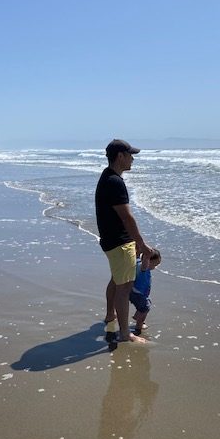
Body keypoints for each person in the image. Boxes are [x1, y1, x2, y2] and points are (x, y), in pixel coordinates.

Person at [95, 139, 153, 343]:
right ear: (120, 156)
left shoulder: (107, 176)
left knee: (116, 279)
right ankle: (125, 333)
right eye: (130, 155)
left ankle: (111, 314)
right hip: (120, 243)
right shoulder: (115, 182)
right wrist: (142, 243)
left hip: (111, 241)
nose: (133, 159)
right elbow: (127, 217)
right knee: (124, 287)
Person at [130, 248, 161, 335]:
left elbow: (137, 256)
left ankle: (137, 316)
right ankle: (138, 327)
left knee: (143, 306)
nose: (155, 267)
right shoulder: (143, 267)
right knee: (145, 309)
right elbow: (145, 260)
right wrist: (147, 254)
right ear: (147, 261)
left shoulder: (138, 262)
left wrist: (141, 250)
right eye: (154, 265)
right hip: (139, 294)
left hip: (135, 292)